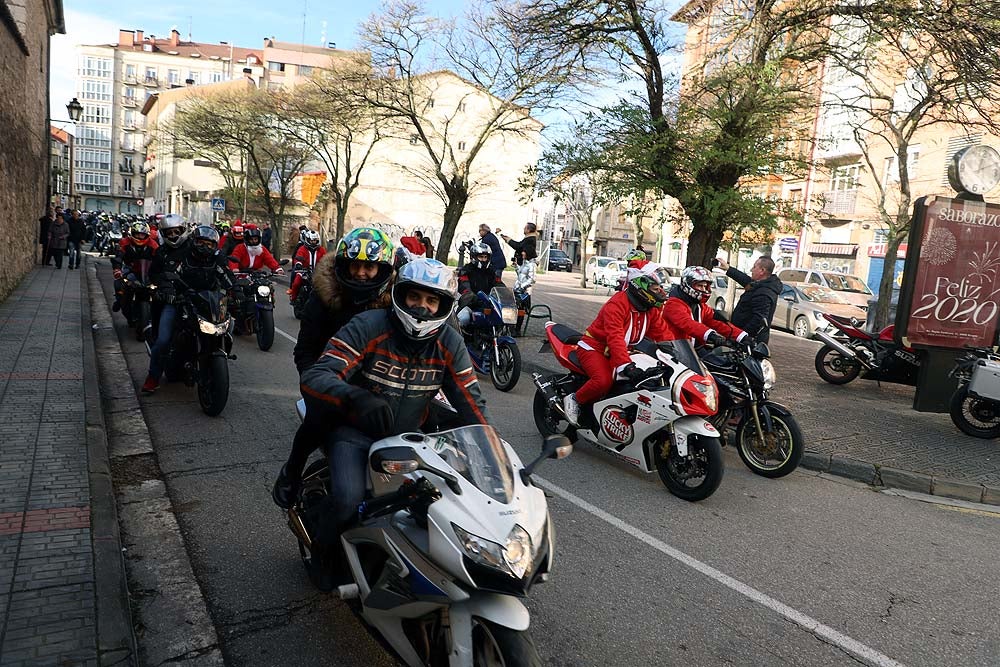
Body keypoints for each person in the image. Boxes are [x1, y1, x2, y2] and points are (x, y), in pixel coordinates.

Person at [291, 258, 489, 539]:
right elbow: (317, 374)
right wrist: (355, 398)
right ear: (400, 295)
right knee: (348, 502)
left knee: (438, 507)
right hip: (353, 432)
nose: (422, 306)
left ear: (443, 305)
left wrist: (496, 454)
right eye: (414, 296)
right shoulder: (369, 325)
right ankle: (324, 551)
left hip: (411, 440)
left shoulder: (449, 342)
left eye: (432, 300)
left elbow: (472, 403)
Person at [272, 227, 398, 508]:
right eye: (356, 265)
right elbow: (304, 349)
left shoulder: (396, 301)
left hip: (382, 379)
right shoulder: (324, 297)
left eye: (369, 267)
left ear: (384, 269)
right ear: (344, 265)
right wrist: (318, 384)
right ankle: (291, 472)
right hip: (330, 375)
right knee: (321, 415)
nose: (361, 273)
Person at [563, 264, 671, 426]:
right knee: (603, 381)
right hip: (595, 347)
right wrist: (626, 365)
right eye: (655, 289)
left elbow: (662, 333)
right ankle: (575, 399)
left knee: (646, 379)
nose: (660, 292)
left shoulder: (650, 309)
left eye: (660, 288)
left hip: (624, 350)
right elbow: (615, 337)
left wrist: (673, 353)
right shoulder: (617, 304)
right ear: (641, 288)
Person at [142, 216, 226, 393]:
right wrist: (167, 291)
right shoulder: (162, 252)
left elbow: (219, 266)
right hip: (177, 300)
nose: (173, 235)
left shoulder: (194, 246)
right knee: (163, 340)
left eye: (176, 232)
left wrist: (235, 288)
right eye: (169, 233)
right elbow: (157, 275)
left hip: (203, 299)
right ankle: (153, 376)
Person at [661, 266, 750, 350]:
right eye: (700, 286)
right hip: (676, 351)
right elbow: (689, 324)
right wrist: (710, 335)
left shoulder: (700, 306)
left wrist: (742, 337)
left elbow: (716, 322)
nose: (704, 289)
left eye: (705, 286)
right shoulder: (673, 304)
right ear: (688, 284)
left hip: (693, 352)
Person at [716, 256, 782, 344]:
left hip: (748, 342)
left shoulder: (764, 293)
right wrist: (728, 268)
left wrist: (740, 336)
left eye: (754, 267)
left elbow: (758, 321)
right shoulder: (761, 285)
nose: (751, 270)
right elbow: (744, 279)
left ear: (762, 271)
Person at [111, 220, 158, 321]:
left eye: (142, 234)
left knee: (157, 289)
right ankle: (119, 301)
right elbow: (118, 257)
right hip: (129, 269)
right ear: (132, 233)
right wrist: (117, 269)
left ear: (147, 234)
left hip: (147, 271)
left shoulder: (153, 244)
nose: (139, 237)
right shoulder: (124, 242)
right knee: (119, 284)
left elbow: (159, 259)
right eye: (137, 234)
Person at [456, 242, 504, 330]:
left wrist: (510, 295)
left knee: (502, 318)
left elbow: (499, 284)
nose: (483, 259)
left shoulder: (491, 271)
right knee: (464, 318)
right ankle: (460, 341)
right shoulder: (466, 270)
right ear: (474, 257)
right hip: (470, 304)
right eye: (481, 257)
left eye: (485, 257)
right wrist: (470, 295)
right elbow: (464, 285)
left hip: (489, 304)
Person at [287, 229, 326, 302]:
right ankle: (293, 298)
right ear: (307, 240)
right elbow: (298, 257)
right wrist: (299, 264)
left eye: (315, 240)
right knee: (296, 283)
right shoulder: (302, 249)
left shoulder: (321, 250)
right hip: (304, 270)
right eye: (311, 240)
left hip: (317, 272)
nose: (313, 242)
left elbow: (325, 259)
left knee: (326, 285)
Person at [512, 253, 536, 335]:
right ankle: (513, 327)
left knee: (521, 309)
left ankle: (518, 329)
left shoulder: (531, 264)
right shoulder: (524, 263)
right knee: (515, 308)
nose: (522, 253)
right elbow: (521, 275)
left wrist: (522, 286)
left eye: (524, 252)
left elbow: (532, 279)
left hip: (524, 291)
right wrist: (516, 267)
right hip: (517, 289)